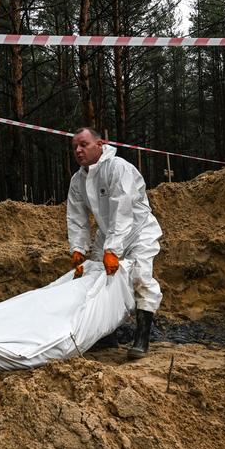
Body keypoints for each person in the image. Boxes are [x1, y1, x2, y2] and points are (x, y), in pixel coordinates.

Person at [67, 127, 163, 359]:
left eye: (84, 144)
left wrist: (113, 249)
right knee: (98, 279)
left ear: (100, 144)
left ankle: (142, 337)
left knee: (141, 276)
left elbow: (123, 209)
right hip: (108, 234)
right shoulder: (78, 180)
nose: (78, 150)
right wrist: (78, 249)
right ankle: (106, 334)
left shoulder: (118, 168)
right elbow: (76, 217)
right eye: (75, 147)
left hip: (138, 230)